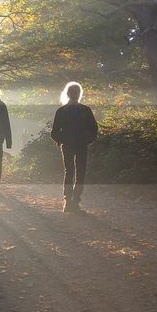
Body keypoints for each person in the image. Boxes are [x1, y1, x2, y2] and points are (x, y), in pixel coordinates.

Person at [49, 81, 99, 213]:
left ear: (67, 93)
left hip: (68, 145)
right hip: (81, 144)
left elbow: (54, 132)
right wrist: (88, 140)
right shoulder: (85, 110)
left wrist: (61, 140)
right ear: (79, 94)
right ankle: (75, 202)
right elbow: (94, 129)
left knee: (69, 171)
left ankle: (68, 202)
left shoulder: (61, 111)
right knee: (80, 173)